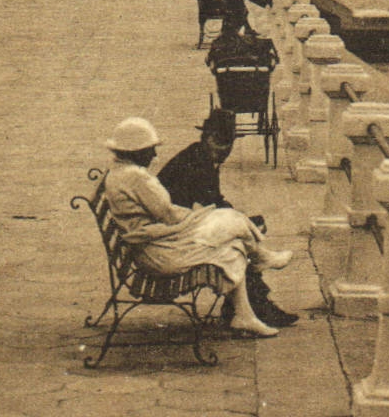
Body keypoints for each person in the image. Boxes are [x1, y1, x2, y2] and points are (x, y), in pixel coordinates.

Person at [101, 117, 290, 338]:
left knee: (233, 237)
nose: (154, 155)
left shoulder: (124, 173)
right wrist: (198, 220)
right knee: (229, 223)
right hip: (158, 253)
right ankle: (260, 260)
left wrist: (202, 218)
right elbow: (168, 214)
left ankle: (244, 314)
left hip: (155, 242)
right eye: (150, 149)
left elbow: (166, 213)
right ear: (135, 150)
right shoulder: (135, 177)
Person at [159, 110, 299, 328]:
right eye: (221, 144)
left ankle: (251, 304)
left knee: (240, 235)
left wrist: (243, 220)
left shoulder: (201, 156)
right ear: (208, 137)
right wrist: (243, 222)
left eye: (229, 144)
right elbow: (211, 203)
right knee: (236, 242)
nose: (225, 151)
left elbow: (213, 201)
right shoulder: (198, 163)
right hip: (173, 236)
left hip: (177, 227)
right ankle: (257, 303)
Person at [206, 17, 278, 71]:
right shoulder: (261, 43)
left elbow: (208, 61)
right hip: (255, 80)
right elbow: (274, 60)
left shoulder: (217, 44)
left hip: (227, 80)